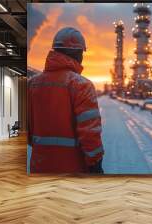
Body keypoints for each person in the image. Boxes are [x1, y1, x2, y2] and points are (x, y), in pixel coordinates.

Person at [27, 27, 104, 174]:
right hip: (73, 168)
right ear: (78, 53)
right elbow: (90, 133)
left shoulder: (32, 84)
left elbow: (29, 133)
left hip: (40, 167)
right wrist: (96, 164)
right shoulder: (81, 85)